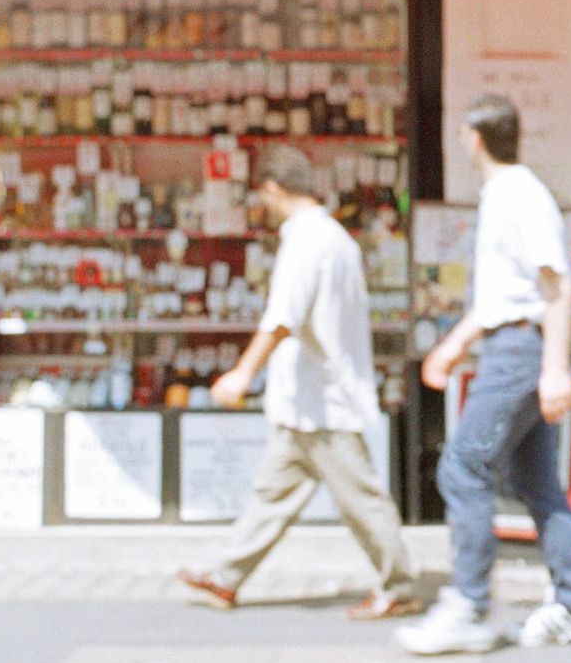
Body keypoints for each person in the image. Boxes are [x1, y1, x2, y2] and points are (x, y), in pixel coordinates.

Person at [177, 146, 420, 620]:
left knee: (361, 499)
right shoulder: (334, 237)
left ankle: (400, 585)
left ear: (272, 188)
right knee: (272, 494)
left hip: (323, 398)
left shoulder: (307, 240)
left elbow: (283, 316)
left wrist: (243, 372)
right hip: (310, 399)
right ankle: (227, 577)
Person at [397, 93, 571, 655]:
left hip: (520, 353)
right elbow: (499, 299)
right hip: (514, 345)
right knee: (537, 482)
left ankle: (468, 605)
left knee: (463, 466)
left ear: (473, 138)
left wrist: (555, 370)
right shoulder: (508, 195)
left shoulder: (519, 196)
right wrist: (454, 346)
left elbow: (556, 286)